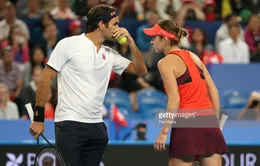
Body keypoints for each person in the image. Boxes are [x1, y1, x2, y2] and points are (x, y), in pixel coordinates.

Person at [29, 4, 147, 166]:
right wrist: (38, 118)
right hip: (70, 124)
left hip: (97, 126)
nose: (118, 28)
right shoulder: (68, 44)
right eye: (115, 24)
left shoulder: (110, 54)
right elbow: (45, 78)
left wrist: (131, 42)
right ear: (101, 25)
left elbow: (141, 70)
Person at [143, 20, 228, 166]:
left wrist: (164, 133)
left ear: (164, 39)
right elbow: (213, 90)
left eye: (154, 37)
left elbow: (174, 99)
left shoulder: (164, 62)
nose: (152, 41)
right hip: (209, 124)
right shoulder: (192, 55)